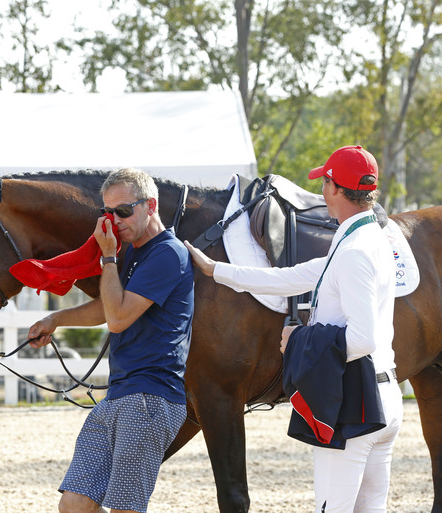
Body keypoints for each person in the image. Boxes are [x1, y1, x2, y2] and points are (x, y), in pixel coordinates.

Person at [185, 145, 402, 513]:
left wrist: (298, 340)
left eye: (325, 183)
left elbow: (362, 338)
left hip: (355, 400)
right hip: (384, 396)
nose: (321, 191)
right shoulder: (366, 238)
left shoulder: (353, 252)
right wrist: (216, 270)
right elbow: (291, 277)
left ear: (334, 189)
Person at [28, 168, 194, 513]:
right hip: (120, 395)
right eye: (106, 212)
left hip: (149, 399)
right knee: (73, 505)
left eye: (122, 211)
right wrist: (54, 319)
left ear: (151, 205)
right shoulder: (133, 251)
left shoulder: (167, 253)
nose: (114, 221)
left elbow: (117, 319)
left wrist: (107, 257)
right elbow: (109, 305)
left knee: (124, 509)